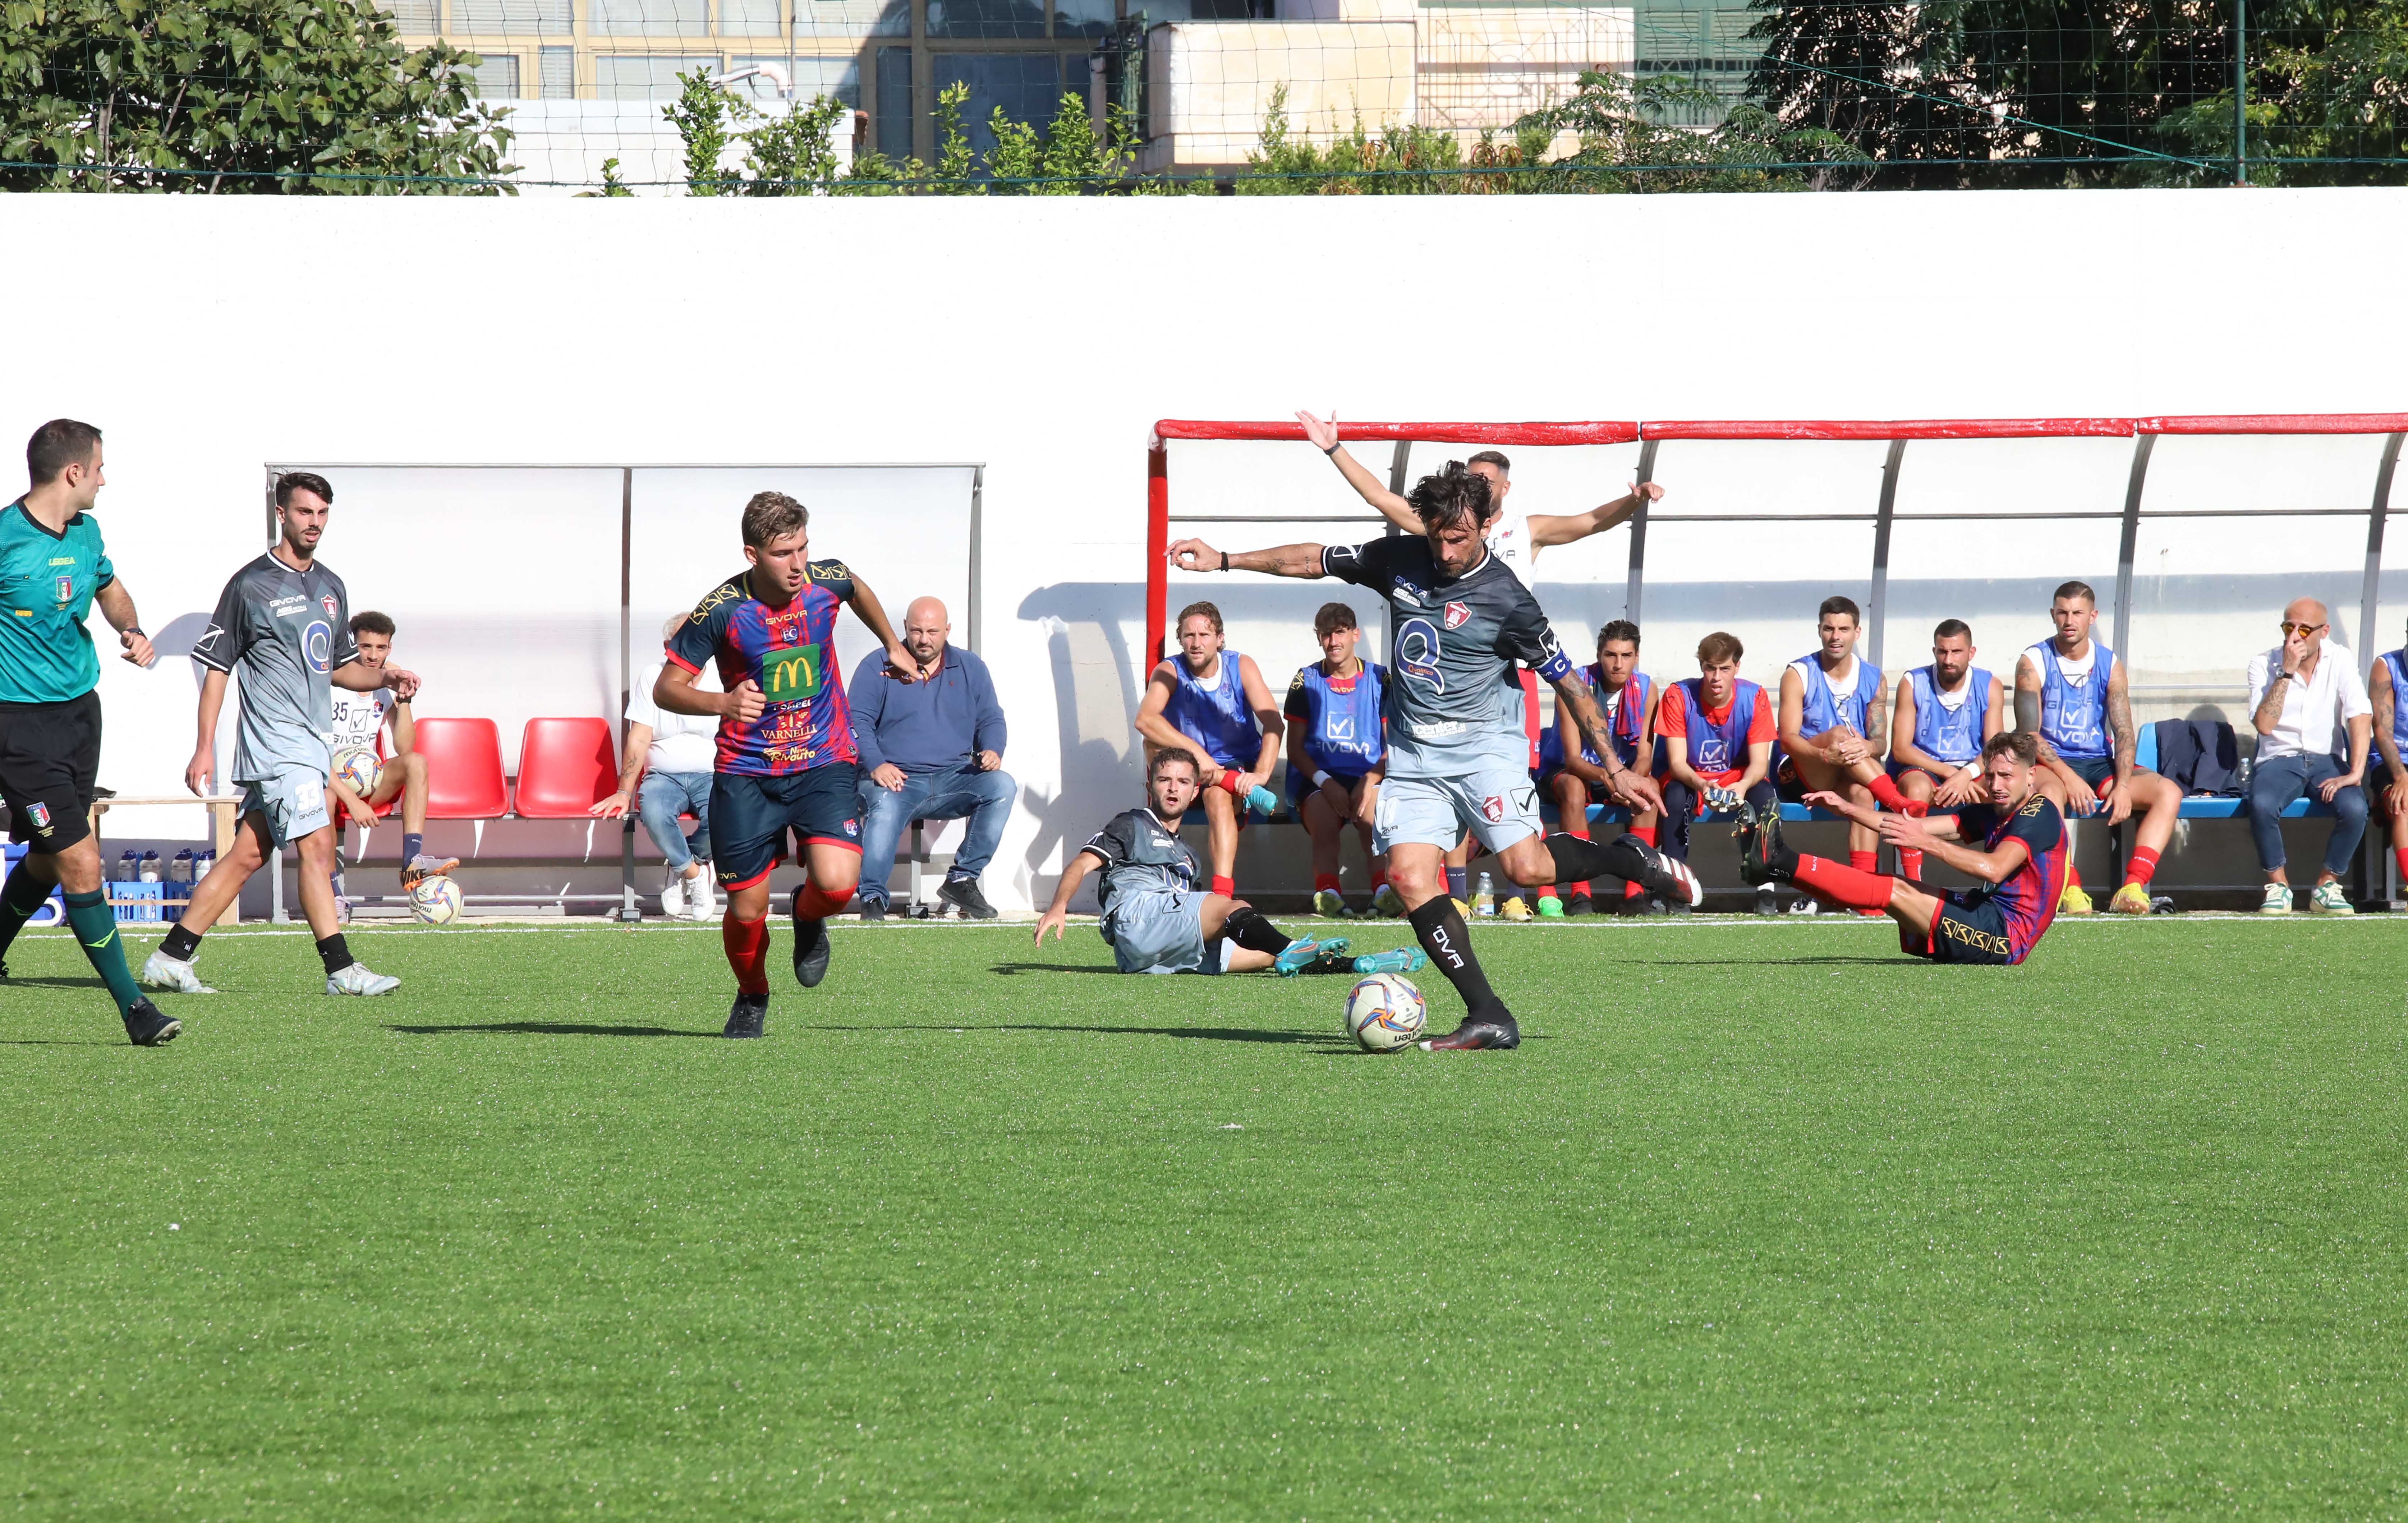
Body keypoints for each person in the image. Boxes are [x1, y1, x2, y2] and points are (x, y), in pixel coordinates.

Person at [1167, 459, 1699, 1051]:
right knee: (1410, 877)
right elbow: (1314, 559)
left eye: (1460, 538)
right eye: (1439, 535)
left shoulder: (1507, 598)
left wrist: (1617, 766)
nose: (1446, 552)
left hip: (1484, 746)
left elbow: (1569, 681)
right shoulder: (1402, 558)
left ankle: (1624, 858)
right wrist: (1225, 559)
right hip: (1416, 752)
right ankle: (1488, 1013)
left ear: (1488, 525)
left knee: (1526, 869)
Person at [1296, 409, 1666, 919]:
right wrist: (1335, 450)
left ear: (1500, 497)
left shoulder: (1525, 531)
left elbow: (1589, 523)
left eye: (1484, 482)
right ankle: (1460, 892)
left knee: (1509, 817)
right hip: (1435, 687)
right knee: (1438, 804)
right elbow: (1381, 500)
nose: (1472, 488)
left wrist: (1633, 500)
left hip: (1500, 679)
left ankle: (1525, 888)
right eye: (1467, 477)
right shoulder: (1438, 532)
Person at [653, 490, 918, 1040]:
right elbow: (666, 688)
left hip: (823, 758)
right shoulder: (721, 609)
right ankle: (753, 995)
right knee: (747, 909)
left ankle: (807, 911)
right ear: (753, 554)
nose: (798, 564)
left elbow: (854, 585)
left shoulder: (824, 579)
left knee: (838, 884)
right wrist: (721, 703)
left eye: (802, 548)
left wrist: (891, 642)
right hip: (748, 773)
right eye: (782, 553)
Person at [143, 471, 416, 999]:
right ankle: (341, 970)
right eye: (305, 512)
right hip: (276, 746)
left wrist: (386, 675)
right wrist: (204, 746)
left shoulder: (332, 586)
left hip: (312, 745)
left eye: (322, 514)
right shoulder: (250, 585)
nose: (314, 523)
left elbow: (340, 667)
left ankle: (169, 958)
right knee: (317, 848)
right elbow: (217, 667)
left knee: (247, 853)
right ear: (282, 513)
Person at [0, 419, 177, 1045]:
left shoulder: (88, 531)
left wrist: (130, 629)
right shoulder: (4, 539)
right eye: (99, 466)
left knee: (50, 858)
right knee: (80, 858)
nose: (105, 476)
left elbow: (109, 588)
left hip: (80, 715)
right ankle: (135, 1009)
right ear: (73, 472)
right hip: (17, 726)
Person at [1035, 747, 1423, 978]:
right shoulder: (1133, 822)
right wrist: (1058, 906)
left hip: (1153, 951)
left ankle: (1357, 964)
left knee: (1265, 954)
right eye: (1164, 779)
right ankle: (1296, 948)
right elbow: (1081, 864)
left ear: (1195, 791)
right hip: (1138, 914)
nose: (1173, 787)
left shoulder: (1187, 856)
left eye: (1183, 781)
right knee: (1235, 907)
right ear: (1149, 787)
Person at [1738, 731, 2067, 965]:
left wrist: (1926, 844)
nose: (1996, 786)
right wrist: (1847, 808)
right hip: (1986, 914)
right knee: (1893, 888)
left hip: (2007, 938)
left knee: (1895, 890)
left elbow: (1995, 868)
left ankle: (1779, 861)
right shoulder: (1995, 808)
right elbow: (1912, 828)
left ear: (2031, 776)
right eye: (1991, 776)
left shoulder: (2038, 813)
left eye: (2006, 776)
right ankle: (1777, 865)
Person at [2016, 580, 2182, 915]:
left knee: (2169, 792)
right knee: (2046, 799)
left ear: (2092, 616)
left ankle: (2133, 886)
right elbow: (2028, 735)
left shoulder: (2109, 663)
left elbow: (2123, 730)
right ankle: (2070, 888)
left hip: (2098, 761)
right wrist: (2069, 779)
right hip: (2051, 762)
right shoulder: (2033, 661)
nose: (2069, 621)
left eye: (2077, 613)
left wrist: (2121, 786)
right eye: (2062, 612)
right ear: (2053, 614)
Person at [849, 595, 1014, 922]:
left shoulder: (970, 667)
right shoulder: (877, 665)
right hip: (896, 779)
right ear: (905, 629)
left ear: (948, 630)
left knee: (1002, 786)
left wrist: (993, 749)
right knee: (884, 804)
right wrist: (876, 764)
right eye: (917, 631)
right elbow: (856, 723)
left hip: (955, 776)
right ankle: (872, 898)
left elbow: (991, 718)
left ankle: (962, 879)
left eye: (933, 632)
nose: (924, 640)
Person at [1132, 601, 1282, 898]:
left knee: (1216, 795)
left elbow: (1274, 722)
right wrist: (1196, 755)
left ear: (1220, 639)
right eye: (1189, 636)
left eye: (1205, 635)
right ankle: (1154, 882)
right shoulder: (1170, 670)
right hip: (1190, 771)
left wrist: (1262, 775)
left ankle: (1221, 895)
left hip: (1236, 769)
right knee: (1151, 744)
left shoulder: (1241, 665)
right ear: (1180, 640)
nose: (1196, 643)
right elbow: (1144, 720)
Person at [2243, 598, 2370, 915]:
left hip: (2326, 759)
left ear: (2324, 632)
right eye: (2289, 628)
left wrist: (2355, 772)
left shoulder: (2340, 659)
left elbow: (2359, 714)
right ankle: (2279, 886)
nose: (2294, 637)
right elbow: (2264, 726)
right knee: (2261, 805)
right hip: (2280, 759)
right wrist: (2286, 674)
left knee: (2356, 808)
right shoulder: (2263, 664)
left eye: (2304, 629)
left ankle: (2326, 886)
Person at [592, 613, 721, 921]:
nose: (694, 646)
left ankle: (684, 863)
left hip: (715, 773)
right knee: (652, 811)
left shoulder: (725, 676)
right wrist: (624, 791)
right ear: (668, 647)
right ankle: (692, 872)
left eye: (699, 638)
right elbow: (639, 737)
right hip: (664, 776)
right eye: (684, 640)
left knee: (730, 811)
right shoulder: (653, 676)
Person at [324, 610, 455, 912]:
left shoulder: (390, 681)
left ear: (390, 649)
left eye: (380, 648)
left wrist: (404, 700)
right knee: (325, 794)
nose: (373, 655)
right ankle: (333, 895)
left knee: (416, 762)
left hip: (369, 783)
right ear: (351, 644)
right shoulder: (331, 679)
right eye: (365, 646)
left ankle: (412, 862)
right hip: (329, 783)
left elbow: (404, 746)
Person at [1538, 620, 1657, 916]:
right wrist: (1614, 779)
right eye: (1610, 655)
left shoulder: (1648, 688)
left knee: (1650, 789)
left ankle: (1635, 894)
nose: (1618, 664)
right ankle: (1581, 895)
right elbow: (1573, 760)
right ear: (1598, 654)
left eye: (1626, 656)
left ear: (1637, 656)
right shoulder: (1573, 685)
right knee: (1574, 789)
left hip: (1618, 776)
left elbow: (1644, 755)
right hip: (1566, 773)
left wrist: (1631, 782)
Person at [1654, 631, 1777, 913]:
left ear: (1737, 667)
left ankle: (1766, 888)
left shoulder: (1755, 696)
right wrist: (1703, 786)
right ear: (1702, 667)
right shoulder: (1678, 695)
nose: (1717, 677)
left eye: (1725, 669)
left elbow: (1760, 764)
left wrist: (1743, 787)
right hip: (1690, 776)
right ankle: (1676, 887)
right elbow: (1677, 764)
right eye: (1710, 668)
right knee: (1674, 796)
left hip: (1738, 777)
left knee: (1765, 795)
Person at [1284, 602, 1393, 919]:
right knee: (1325, 823)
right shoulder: (1305, 680)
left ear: (1355, 634)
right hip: (1319, 777)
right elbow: (1296, 749)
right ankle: (1328, 894)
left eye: (1340, 633)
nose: (1334, 642)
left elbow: (1395, 745)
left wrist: (1370, 780)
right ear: (1319, 638)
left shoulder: (1379, 679)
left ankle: (1384, 893)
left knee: (1372, 818)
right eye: (1326, 634)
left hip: (1370, 774)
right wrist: (1326, 783)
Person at [1777, 597, 1889, 893]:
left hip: (1851, 774)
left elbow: (1881, 742)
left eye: (1843, 629)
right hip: (1804, 770)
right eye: (1829, 629)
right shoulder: (1798, 673)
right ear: (1819, 630)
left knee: (1863, 798)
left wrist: (1867, 747)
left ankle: (1863, 890)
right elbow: (1787, 740)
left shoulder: (1874, 678)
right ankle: (1897, 802)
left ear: (1858, 632)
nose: (1836, 637)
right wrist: (1823, 755)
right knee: (1839, 734)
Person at [1886, 618, 2004, 882]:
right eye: (1943, 651)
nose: (1949, 659)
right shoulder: (1913, 682)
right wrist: (1954, 774)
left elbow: (1994, 747)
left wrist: (1966, 774)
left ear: (1971, 653)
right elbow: (1901, 749)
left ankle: (2001, 877)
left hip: (1972, 768)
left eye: (1957, 652)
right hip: (1925, 767)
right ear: (1935, 652)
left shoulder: (1989, 685)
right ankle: (1913, 883)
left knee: (2006, 788)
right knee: (1916, 789)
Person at [2372, 620, 2408, 893]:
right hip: (2394, 760)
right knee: (2405, 802)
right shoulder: (2387, 666)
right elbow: (2382, 731)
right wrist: (2401, 776)